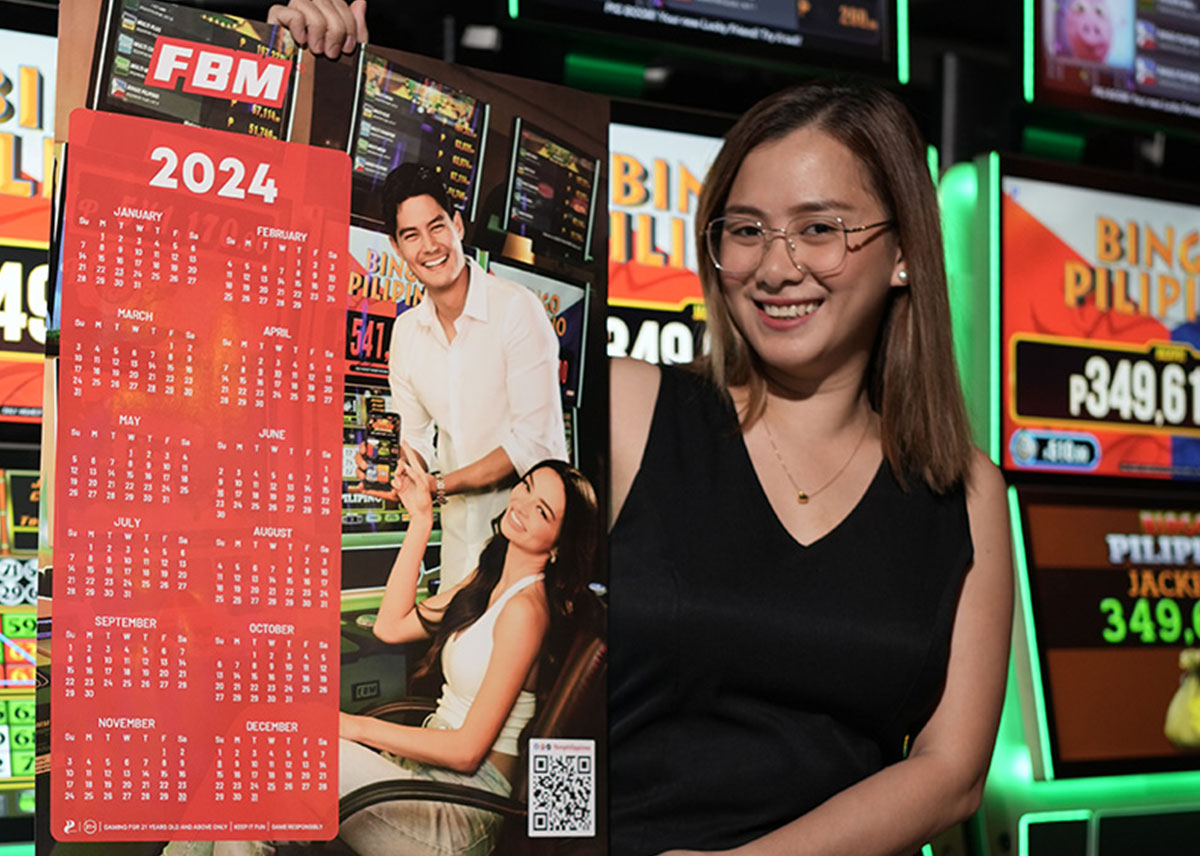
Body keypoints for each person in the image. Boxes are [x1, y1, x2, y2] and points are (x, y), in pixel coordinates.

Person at [608, 81, 1013, 856]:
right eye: (747, 230)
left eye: (818, 228)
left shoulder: (962, 489)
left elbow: (952, 770)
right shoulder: (634, 406)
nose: (774, 267)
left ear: (903, 254)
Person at [165, 451, 600, 856]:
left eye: (542, 510)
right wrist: (420, 519)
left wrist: (351, 726)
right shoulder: (485, 581)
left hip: (459, 814)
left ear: (560, 543)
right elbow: (392, 626)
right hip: (423, 780)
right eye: (525, 486)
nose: (522, 504)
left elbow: (468, 750)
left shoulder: (526, 611)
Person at [375, 163, 569, 590]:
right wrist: (408, 474)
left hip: (526, 561)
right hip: (457, 556)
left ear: (458, 224)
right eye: (411, 236)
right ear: (396, 246)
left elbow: (532, 443)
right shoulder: (406, 334)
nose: (429, 246)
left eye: (437, 226)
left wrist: (439, 485)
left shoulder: (517, 310)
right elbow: (417, 436)